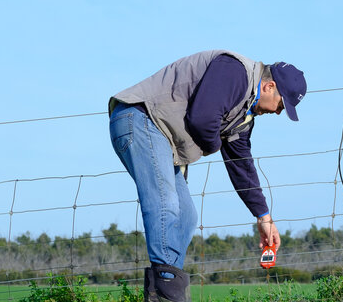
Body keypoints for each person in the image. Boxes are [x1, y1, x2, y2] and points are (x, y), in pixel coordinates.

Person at [107, 50, 306, 302]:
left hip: (162, 138)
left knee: (186, 216)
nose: (278, 112)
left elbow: (240, 164)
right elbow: (202, 120)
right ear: (269, 86)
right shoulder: (234, 71)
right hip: (139, 118)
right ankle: (168, 294)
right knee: (165, 205)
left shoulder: (244, 117)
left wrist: (263, 217)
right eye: (281, 104)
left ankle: (165, 290)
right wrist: (214, 145)